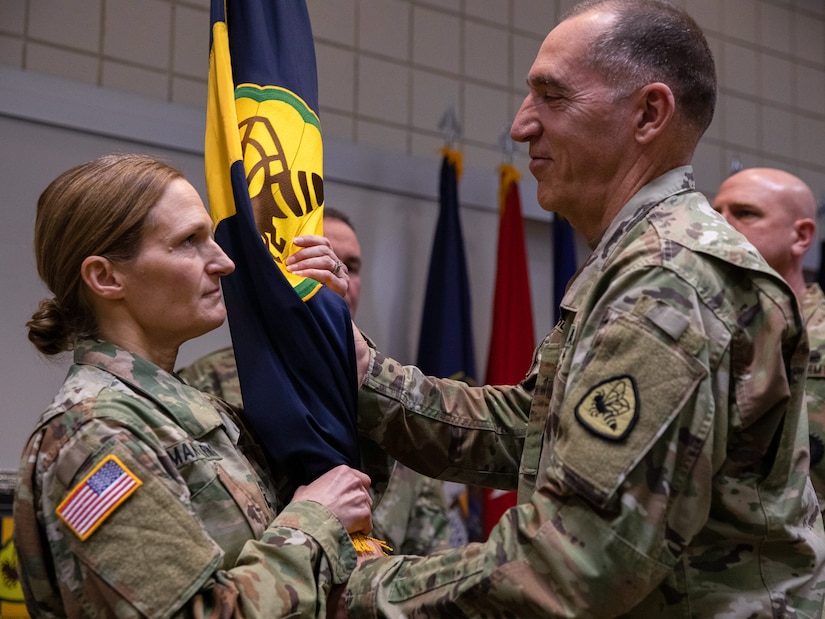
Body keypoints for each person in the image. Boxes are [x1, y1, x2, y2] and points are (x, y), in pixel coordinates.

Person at [334, 0, 825, 616]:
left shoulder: (671, 278)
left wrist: (360, 588)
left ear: (649, 113)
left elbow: (576, 560)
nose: (520, 126)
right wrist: (368, 381)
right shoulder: (637, 258)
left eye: (552, 97)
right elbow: (535, 433)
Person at [13, 153, 374, 617]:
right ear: (106, 277)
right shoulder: (96, 438)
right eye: (189, 242)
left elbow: (343, 483)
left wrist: (328, 330)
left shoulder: (195, 412)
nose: (224, 261)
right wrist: (313, 525)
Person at [178, 208, 452, 557]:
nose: (338, 276)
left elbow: (431, 548)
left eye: (349, 266)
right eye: (316, 258)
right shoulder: (206, 385)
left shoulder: (389, 389)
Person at [712, 167, 825, 512]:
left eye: (745, 213)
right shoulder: (705, 330)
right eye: (715, 213)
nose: (721, 225)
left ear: (801, 237)